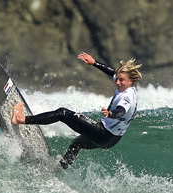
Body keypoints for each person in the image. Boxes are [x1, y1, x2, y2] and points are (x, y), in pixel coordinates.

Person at [12, 52, 142, 169]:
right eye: (117, 79)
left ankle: (21, 119)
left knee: (62, 113)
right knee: (77, 143)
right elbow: (112, 73)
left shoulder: (126, 97)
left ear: (130, 81)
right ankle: (59, 169)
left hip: (104, 133)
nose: (118, 82)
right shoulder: (128, 87)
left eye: (121, 80)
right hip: (112, 140)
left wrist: (111, 114)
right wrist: (94, 63)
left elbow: (121, 111)